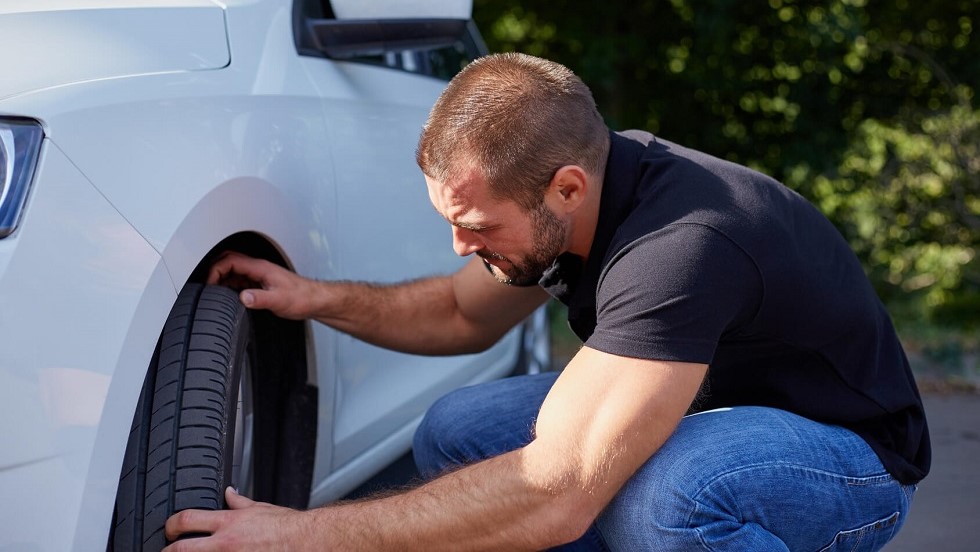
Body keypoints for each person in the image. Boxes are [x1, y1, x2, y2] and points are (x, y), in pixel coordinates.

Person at [164, 52, 929, 551]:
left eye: (476, 226)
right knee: (458, 430)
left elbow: (553, 492)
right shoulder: (578, 196)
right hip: (712, 406)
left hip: (847, 459)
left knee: (673, 501)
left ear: (566, 187)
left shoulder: (683, 243)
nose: (462, 246)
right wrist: (314, 295)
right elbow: (461, 314)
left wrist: (301, 537)